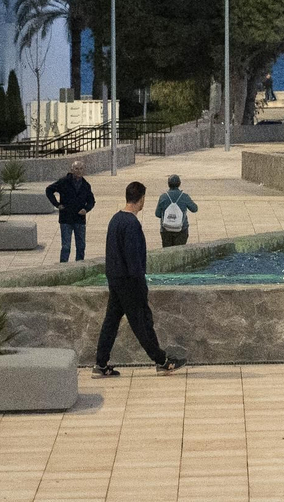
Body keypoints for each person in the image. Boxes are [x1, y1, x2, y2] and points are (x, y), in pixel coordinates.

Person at [93, 181, 185, 377]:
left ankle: (100, 364)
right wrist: (140, 284)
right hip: (129, 282)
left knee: (111, 322)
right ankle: (161, 361)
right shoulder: (132, 224)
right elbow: (133, 258)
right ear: (141, 199)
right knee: (142, 322)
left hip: (115, 279)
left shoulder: (115, 219)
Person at [46, 159, 95, 262]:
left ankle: (79, 268)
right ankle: (63, 268)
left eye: (81, 169)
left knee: (81, 246)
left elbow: (91, 201)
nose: (79, 171)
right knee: (66, 247)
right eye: (76, 169)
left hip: (79, 219)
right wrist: (57, 204)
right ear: (72, 170)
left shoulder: (86, 185)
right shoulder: (64, 182)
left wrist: (86, 209)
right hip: (66, 219)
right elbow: (49, 190)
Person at [155, 175, 199, 248]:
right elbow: (194, 209)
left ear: (168, 184)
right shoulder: (184, 196)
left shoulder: (163, 197)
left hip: (166, 229)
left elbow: (157, 214)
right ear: (179, 183)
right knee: (179, 251)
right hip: (181, 229)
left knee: (167, 253)